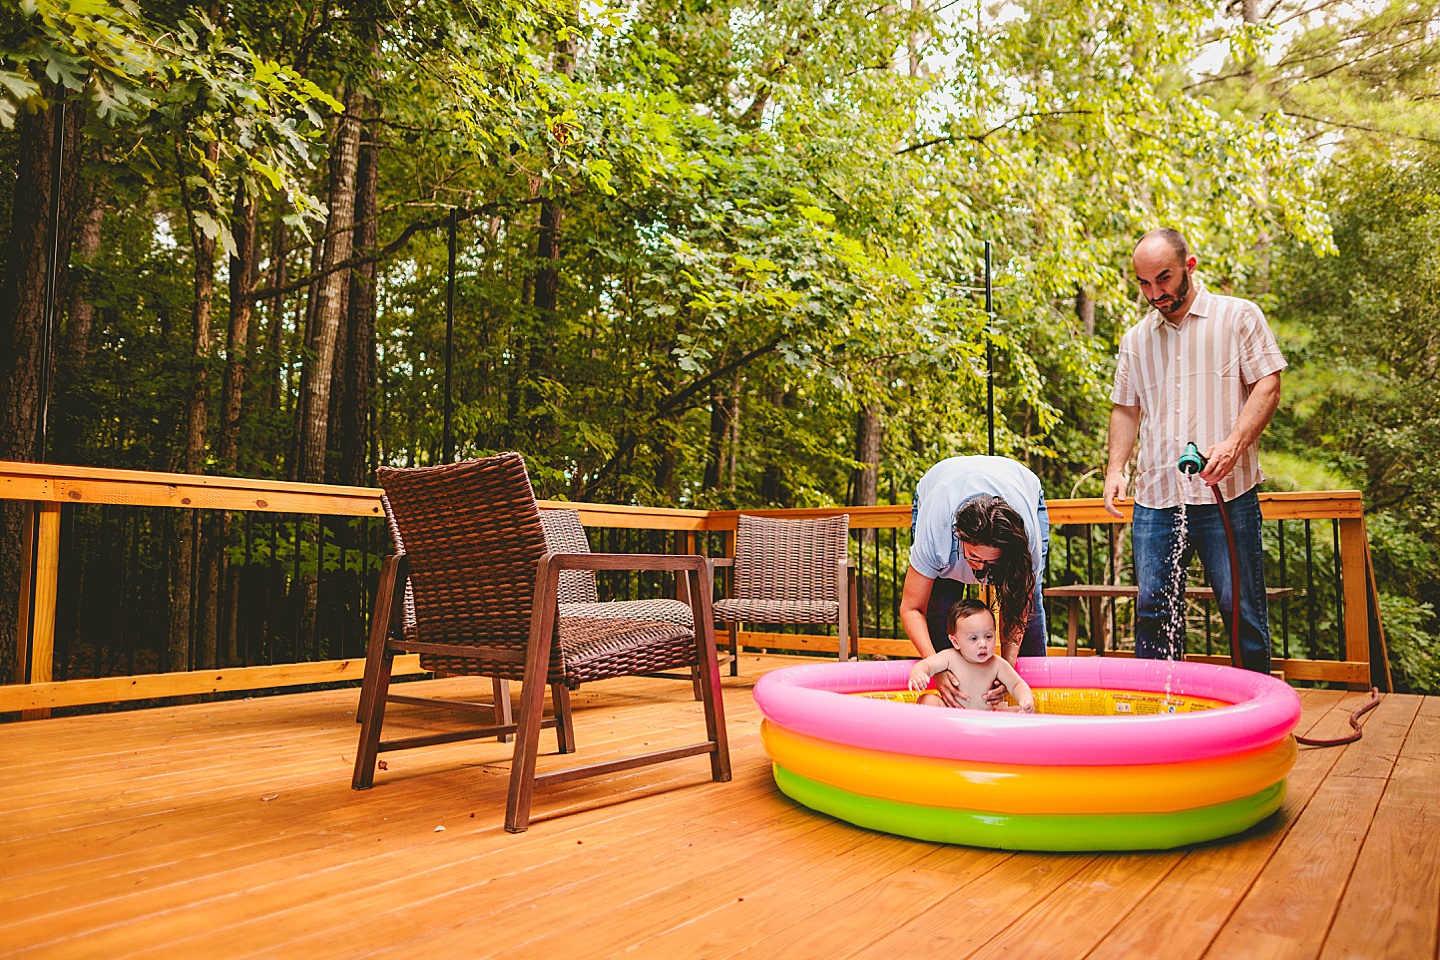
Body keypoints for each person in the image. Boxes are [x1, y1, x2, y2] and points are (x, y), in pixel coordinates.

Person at [1103, 228, 1285, 674]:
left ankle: (1256, 720)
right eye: (1144, 283)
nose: (1154, 293)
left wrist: (1234, 444)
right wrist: (1115, 467)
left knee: (1241, 609)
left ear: (1189, 266)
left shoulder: (1238, 317)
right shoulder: (1136, 340)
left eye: (1163, 279)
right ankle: (1160, 717)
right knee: (1153, 613)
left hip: (1229, 495)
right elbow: (1125, 409)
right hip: (1157, 499)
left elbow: (1269, 383)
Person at [900, 455, 1049, 707]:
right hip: (939, 490)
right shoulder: (937, 532)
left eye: (992, 563)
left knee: (1028, 609)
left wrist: (1004, 671)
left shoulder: (1025, 542)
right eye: (974, 557)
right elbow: (912, 608)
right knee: (942, 614)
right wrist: (936, 668)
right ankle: (953, 714)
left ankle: (1034, 717)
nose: (980, 571)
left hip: (1021, 489)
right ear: (960, 538)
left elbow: (1017, 611)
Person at [909, 599, 1035, 712]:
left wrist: (1025, 699)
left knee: (1018, 712)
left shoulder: (997, 664)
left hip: (987, 716)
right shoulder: (950, 658)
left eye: (988, 636)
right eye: (974, 638)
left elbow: (1017, 685)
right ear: (955, 642)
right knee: (927, 700)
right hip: (952, 714)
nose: (982, 644)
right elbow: (926, 665)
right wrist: (918, 673)